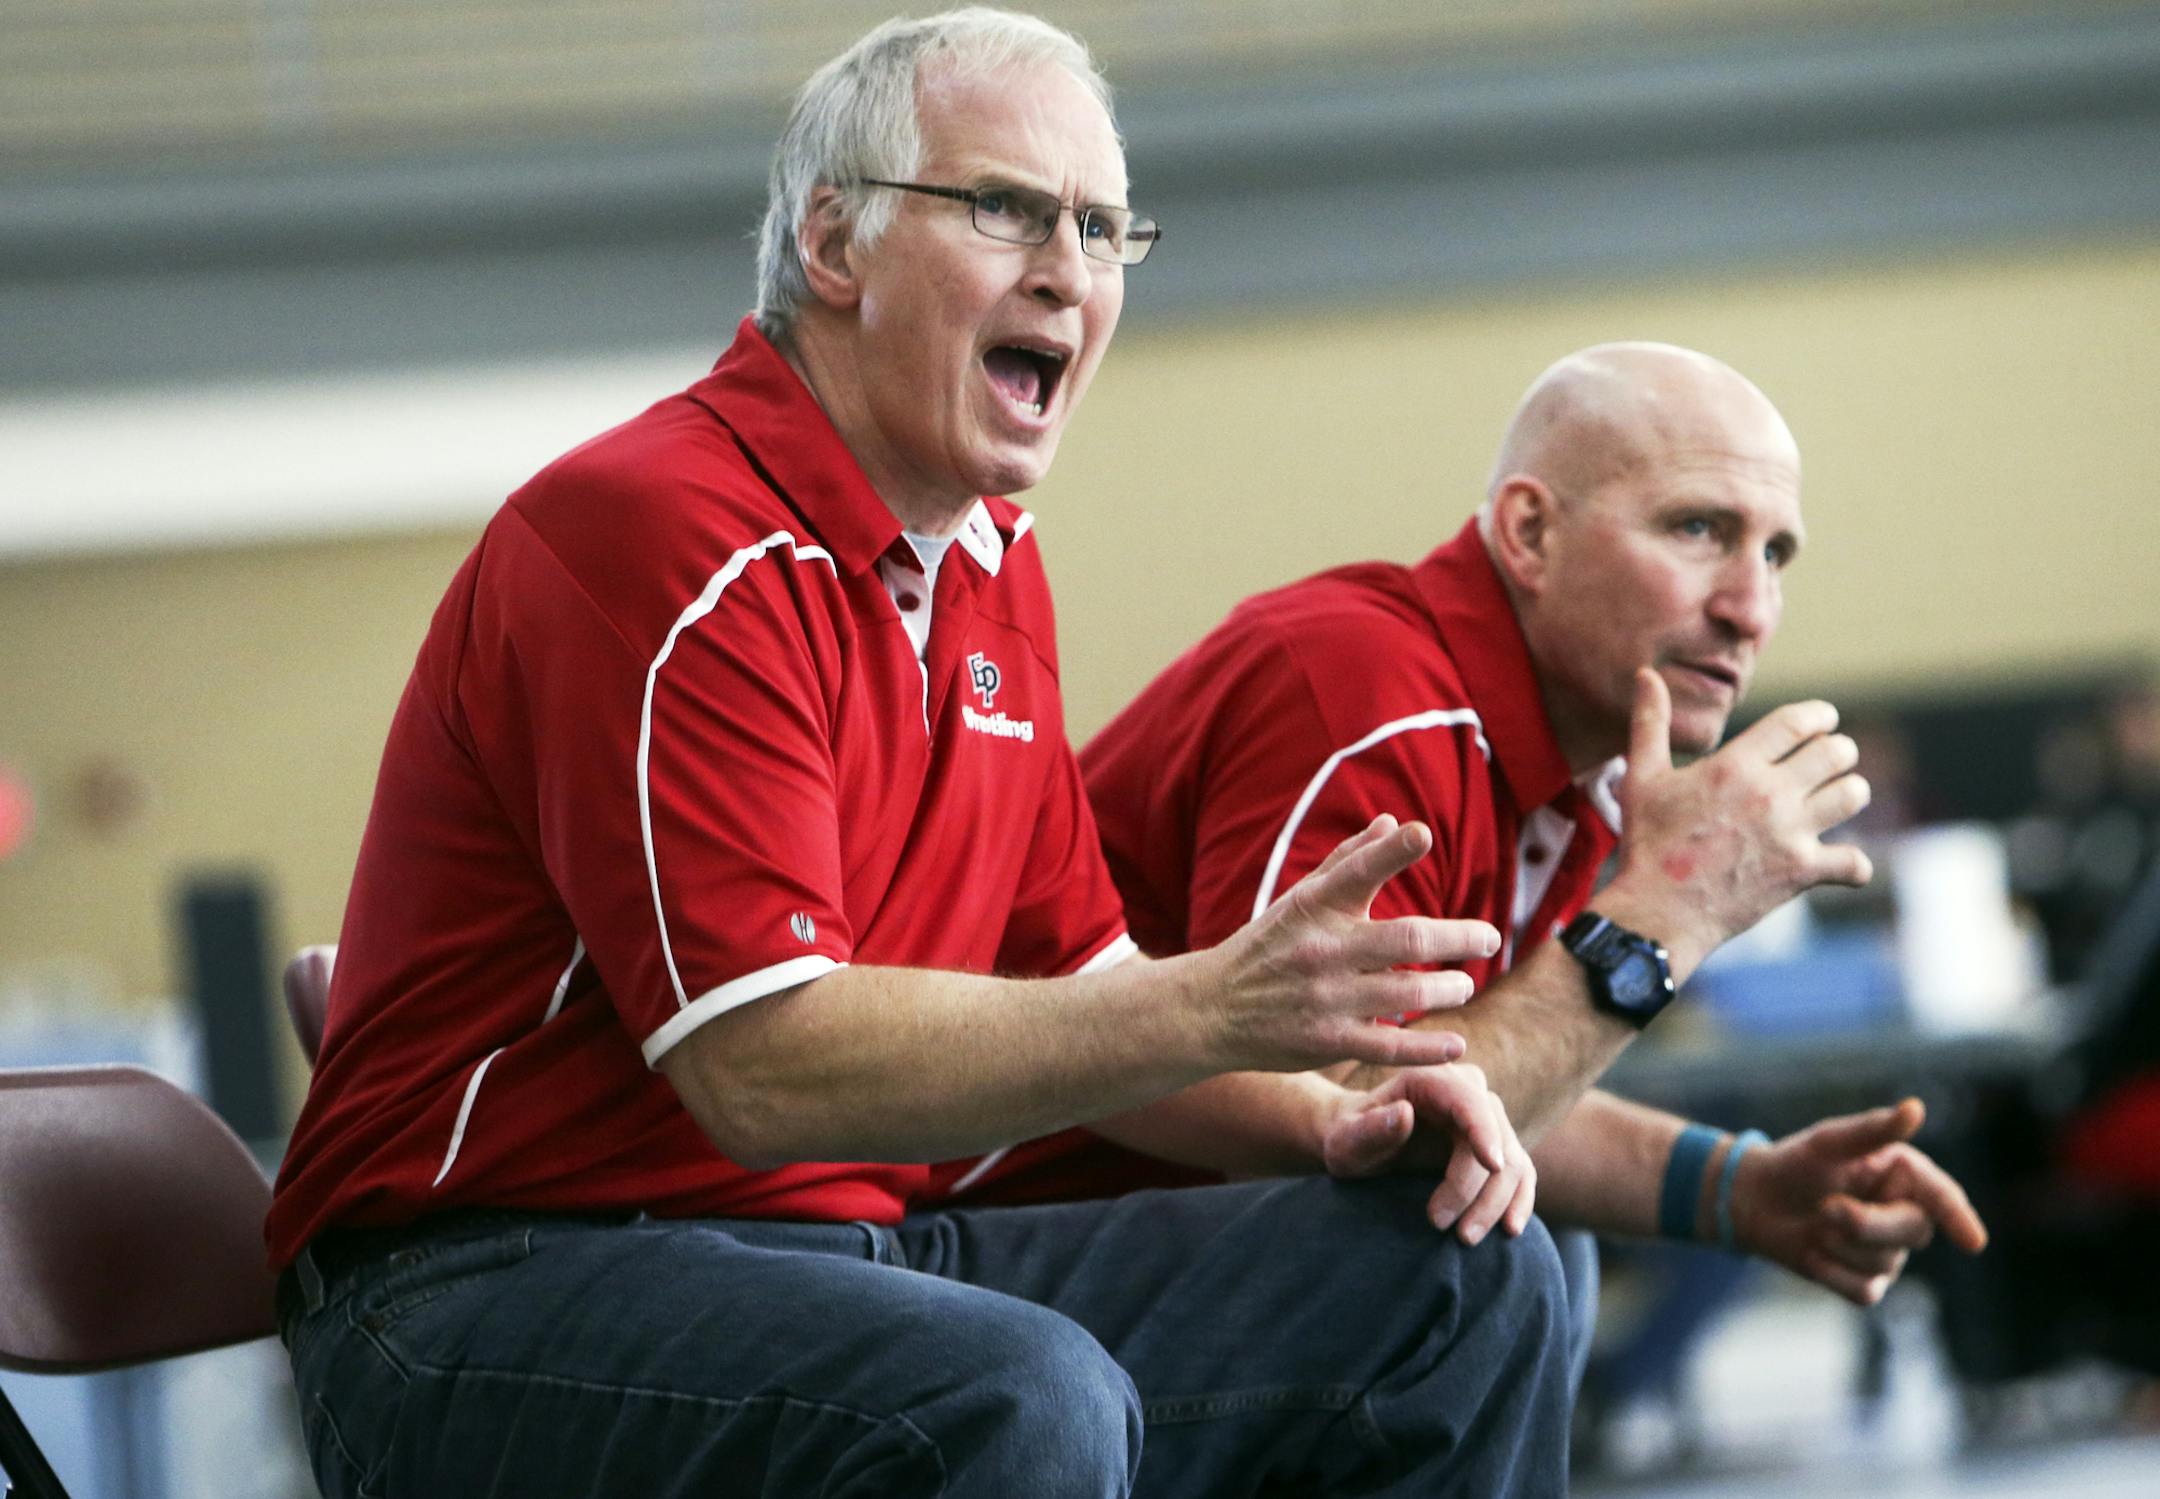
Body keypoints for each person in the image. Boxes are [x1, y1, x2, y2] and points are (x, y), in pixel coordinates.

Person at [268, 12, 1580, 1497]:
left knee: (1463, 1275)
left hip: (836, 1258)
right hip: (475, 1298)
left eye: (1101, 227)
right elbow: (761, 1066)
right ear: (834, 244)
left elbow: (1081, 986)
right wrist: (1218, 1002)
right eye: (1009, 209)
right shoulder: (663, 533)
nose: (1068, 272)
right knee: (1013, 1393)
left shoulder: (991, 567)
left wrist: (1335, 1115)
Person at [970, 344, 1989, 1339]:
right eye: (1697, 528)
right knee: (1481, 1260)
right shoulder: (1369, 698)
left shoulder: (1570, 768)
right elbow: (1341, 1132)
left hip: (1107, 1255)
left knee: (1511, 1215)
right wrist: (1665, 913)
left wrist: (1737, 1187)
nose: (1750, 607)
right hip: (966, 1249)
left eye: (1774, 552)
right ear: (1529, 533)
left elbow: (1465, 1089)